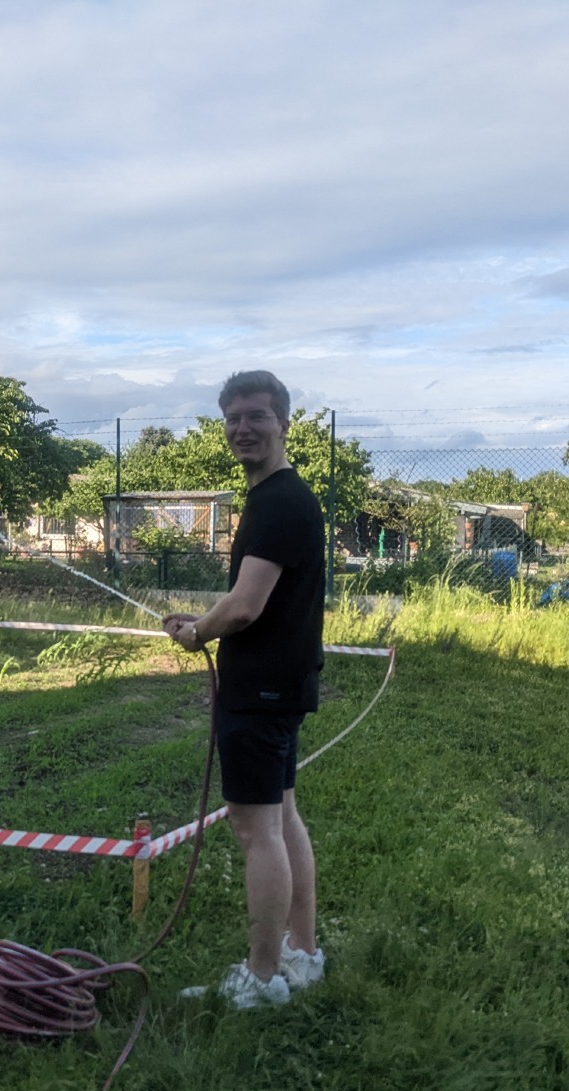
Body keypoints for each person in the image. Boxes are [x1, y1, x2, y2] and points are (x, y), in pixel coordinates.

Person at [165, 369, 327, 1010]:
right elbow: (247, 599)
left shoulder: (276, 503)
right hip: (281, 687)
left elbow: (245, 609)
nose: (242, 428)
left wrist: (198, 632)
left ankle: (262, 982)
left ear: (284, 421)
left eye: (256, 415)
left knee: (255, 828)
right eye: (232, 417)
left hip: (259, 691)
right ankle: (302, 953)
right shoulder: (283, 498)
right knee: (283, 820)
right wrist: (205, 621)